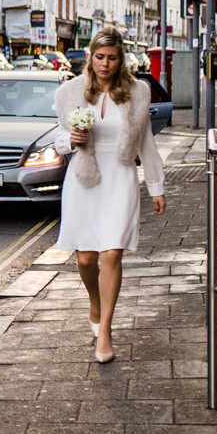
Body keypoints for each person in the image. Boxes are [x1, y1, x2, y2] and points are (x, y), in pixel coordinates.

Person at [53, 27, 166, 364]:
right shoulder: (69, 92)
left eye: (112, 58)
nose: (105, 64)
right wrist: (70, 138)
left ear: (121, 60)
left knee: (112, 254)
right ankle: (94, 301)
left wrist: (156, 187)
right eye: (99, 57)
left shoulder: (137, 92)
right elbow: (58, 139)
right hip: (84, 177)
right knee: (86, 259)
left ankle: (105, 330)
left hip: (120, 176)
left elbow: (146, 143)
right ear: (90, 56)